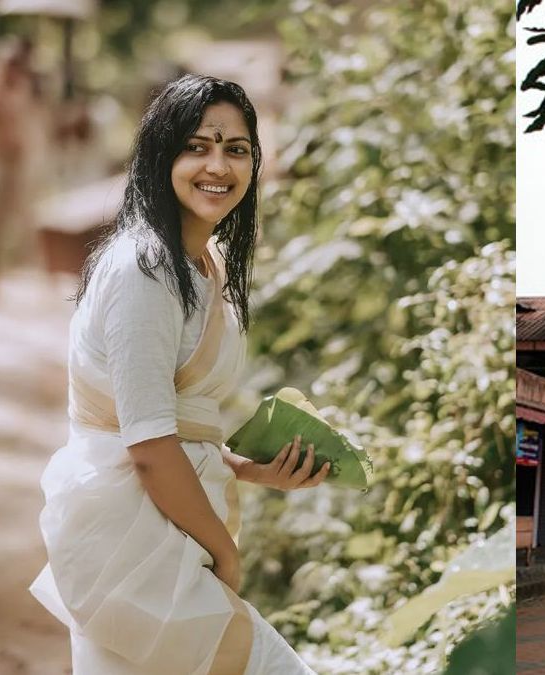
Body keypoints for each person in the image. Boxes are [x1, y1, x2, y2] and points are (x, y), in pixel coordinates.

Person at [29, 74, 329, 674]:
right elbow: (147, 445)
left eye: (236, 149)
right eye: (198, 145)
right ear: (162, 153)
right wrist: (226, 554)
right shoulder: (145, 271)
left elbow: (171, 426)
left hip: (162, 526)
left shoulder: (203, 264)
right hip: (128, 536)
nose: (218, 164)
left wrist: (250, 469)